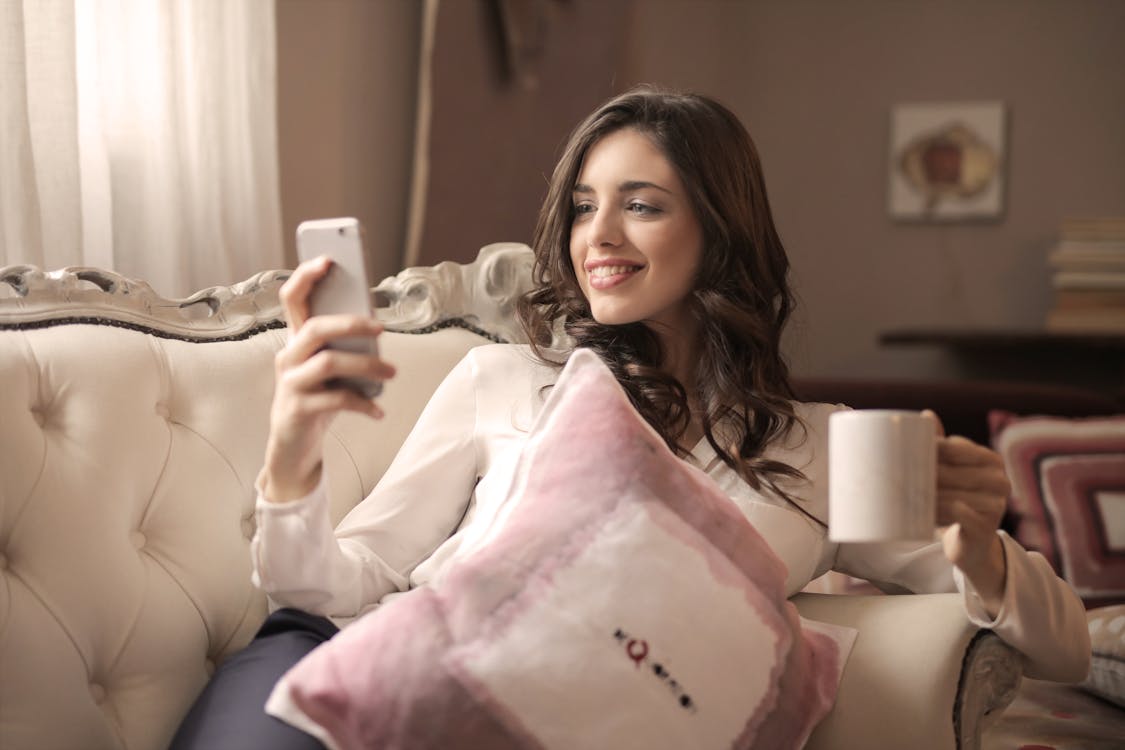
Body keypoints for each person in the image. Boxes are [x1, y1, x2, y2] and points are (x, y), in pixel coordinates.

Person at [170, 86, 1090, 749]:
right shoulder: (506, 381)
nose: (596, 237)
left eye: (640, 206)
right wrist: (294, 452)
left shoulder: (816, 447)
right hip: (391, 676)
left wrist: (980, 548)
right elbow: (334, 589)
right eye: (582, 208)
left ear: (720, 229)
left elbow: (1063, 648)